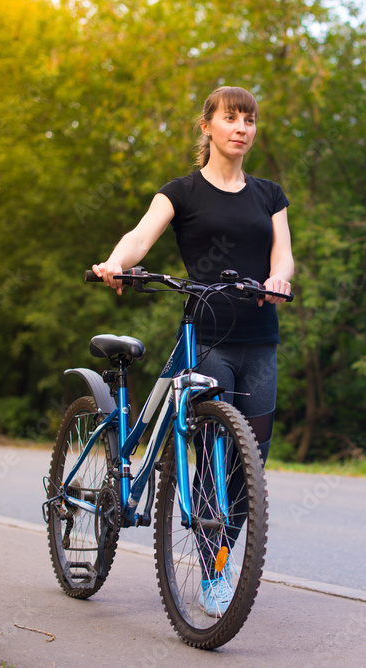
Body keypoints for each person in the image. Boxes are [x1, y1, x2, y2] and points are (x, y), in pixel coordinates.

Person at [91, 86, 293, 617]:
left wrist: (277, 280)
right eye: (230, 118)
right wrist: (115, 263)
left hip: (260, 341)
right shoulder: (180, 192)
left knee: (249, 469)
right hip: (205, 338)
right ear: (207, 126)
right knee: (209, 454)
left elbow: (283, 257)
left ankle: (221, 552)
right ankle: (212, 571)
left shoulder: (269, 194)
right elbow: (140, 238)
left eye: (249, 120)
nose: (241, 128)